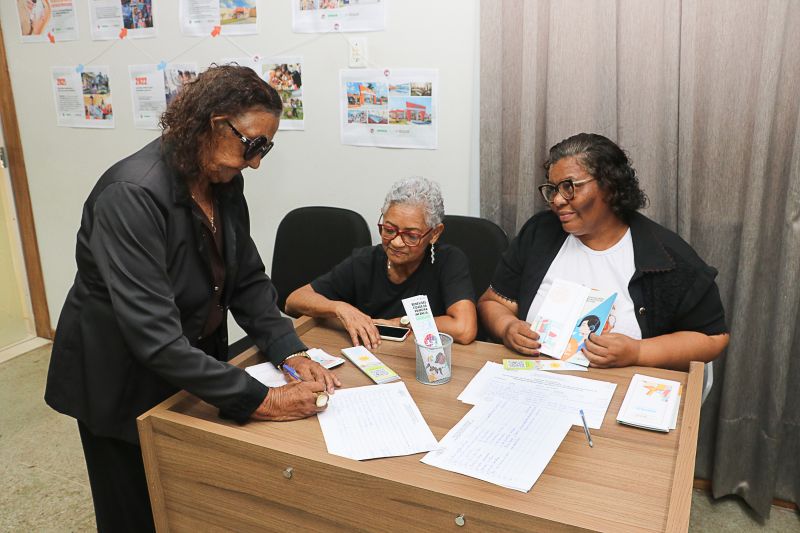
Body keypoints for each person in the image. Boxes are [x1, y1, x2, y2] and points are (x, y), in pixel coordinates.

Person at [45, 65, 340, 533]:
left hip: (186, 364)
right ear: (215, 123)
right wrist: (265, 400)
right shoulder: (132, 194)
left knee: (191, 505)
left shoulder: (223, 180)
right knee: (136, 512)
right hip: (119, 380)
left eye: (265, 148)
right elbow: (154, 339)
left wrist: (290, 350)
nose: (256, 162)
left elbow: (246, 279)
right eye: (253, 145)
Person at [478, 133, 729, 370]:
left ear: (609, 186)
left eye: (569, 187)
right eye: (553, 189)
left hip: (620, 388)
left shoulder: (665, 256)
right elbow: (494, 302)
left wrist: (638, 352)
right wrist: (507, 327)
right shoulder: (540, 233)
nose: (557, 200)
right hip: (536, 381)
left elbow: (712, 337)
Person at [285, 177, 478, 347]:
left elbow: (464, 329)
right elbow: (293, 301)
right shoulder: (364, 261)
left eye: (411, 235)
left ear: (435, 233)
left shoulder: (449, 261)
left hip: (421, 359)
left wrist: (401, 323)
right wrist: (340, 309)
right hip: (373, 353)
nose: (396, 242)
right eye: (389, 230)